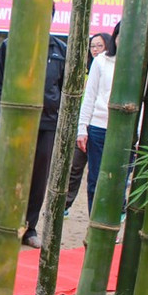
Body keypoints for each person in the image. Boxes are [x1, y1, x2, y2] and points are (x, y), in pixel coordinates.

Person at [0, 9, 66, 248]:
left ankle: (29, 227)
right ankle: (5, 222)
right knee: (10, 171)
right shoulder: (11, 44)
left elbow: (65, 88)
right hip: (14, 122)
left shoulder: (60, 50)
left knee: (39, 177)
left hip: (46, 122)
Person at [64, 33, 114, 215]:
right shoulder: (88, 66)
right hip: (88, 124)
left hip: (108, 125)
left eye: (99, 45)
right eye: (92, 46)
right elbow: (88, 98)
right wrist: (81, 127)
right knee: (77, 168)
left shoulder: (120, 65)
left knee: (109, 174)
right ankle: (66, 205)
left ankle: (112, 212)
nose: (95, 49)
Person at [77, 22, 121, 214]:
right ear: (115, 37)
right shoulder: (101, 61)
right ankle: (95, 219)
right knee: (96, 177)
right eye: (121, 36)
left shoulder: (141, 63)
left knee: (119, 179)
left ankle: (113, 220)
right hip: (99, 126)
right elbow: (90, 96)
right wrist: (82, 128)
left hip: (126, 130)